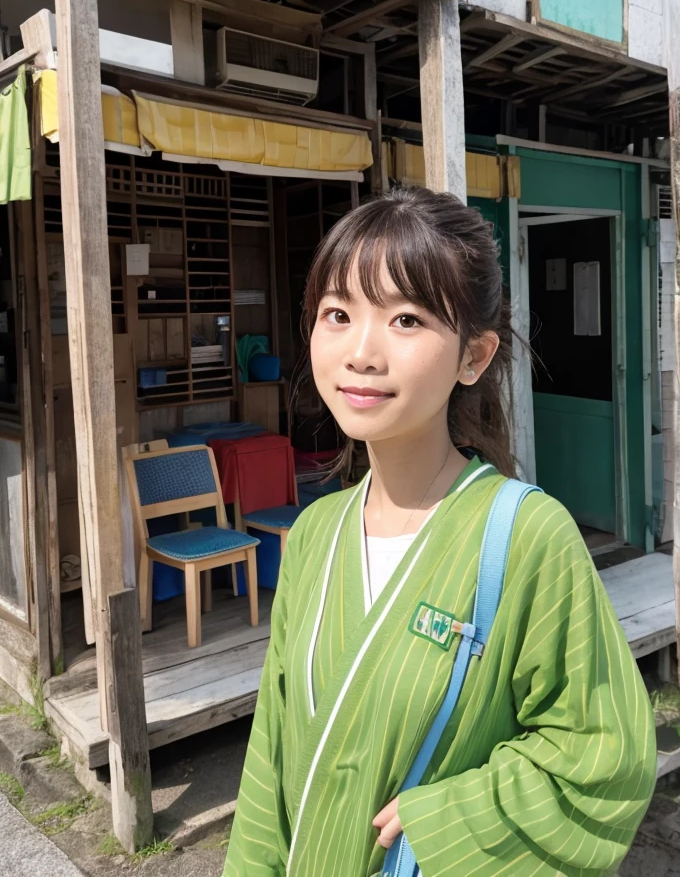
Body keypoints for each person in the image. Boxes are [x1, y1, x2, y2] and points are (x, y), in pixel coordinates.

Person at [224, 187, 656, 877]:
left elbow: (603, 756)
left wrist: (452, 817)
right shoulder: (312, 535)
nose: (361, 352)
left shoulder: (525, 537)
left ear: (473, 357)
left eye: (405, 319)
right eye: (338, 313)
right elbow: (270, 756)